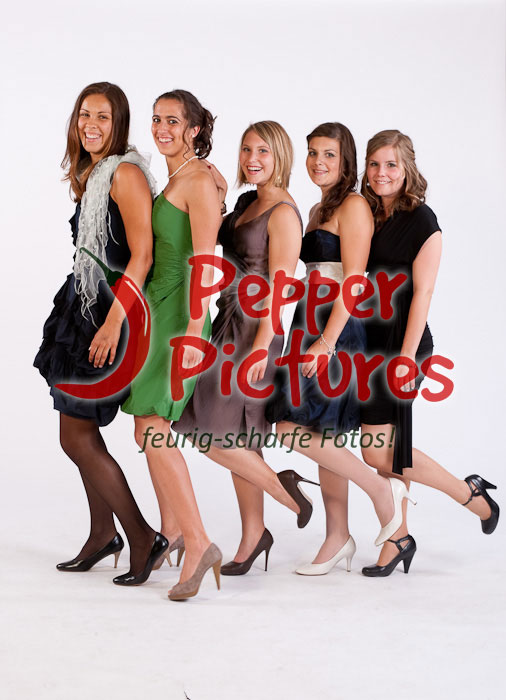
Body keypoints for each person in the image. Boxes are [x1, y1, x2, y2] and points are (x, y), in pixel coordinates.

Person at [34, 81, 168, 583]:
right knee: (80, 434)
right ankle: (101, 534)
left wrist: (113, 324)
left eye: (103, 117)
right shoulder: (94, 173)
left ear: (119, 124)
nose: (90, 125)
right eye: (84, 115)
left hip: (110, 313)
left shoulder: (125, 173)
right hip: (84, 306)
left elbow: (142, 256)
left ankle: (142, 536)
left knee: (76, 438)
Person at [173, 120, 319, 575]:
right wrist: (215, 188)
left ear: (280, 157)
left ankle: (282, 488)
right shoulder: (245, 203)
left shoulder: (284, 213)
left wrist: (260, 346)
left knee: (204, 430)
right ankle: (254, 535)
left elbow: (281, 286)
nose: (252, 159)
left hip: (257, 330)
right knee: (239, 435)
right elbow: (211, 234)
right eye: (246, 150)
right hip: (228, 319)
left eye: (263, 151)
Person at [357, 129, 499, 577]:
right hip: (369, 344)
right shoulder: (368, 213)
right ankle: (398, 538)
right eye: (374, 164)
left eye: (391, 164)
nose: (381, 173)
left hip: (405, 345)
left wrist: (404, 357)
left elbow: (423, 294)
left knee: (379, 453)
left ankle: (468, 493)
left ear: (408, 168)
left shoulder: (423, 221)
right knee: (385, 449)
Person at [122, 89, 224, 600]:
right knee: (146, 425)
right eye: (156, 119)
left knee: (153, 424)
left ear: (194, 129)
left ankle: (200, 540)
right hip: (160, 309)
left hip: (181, 316)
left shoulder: (198, 180)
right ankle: (176, 530)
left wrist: (193, 332)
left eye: (173, 121)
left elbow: (206, 262)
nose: (162, 128)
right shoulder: (184, 176)